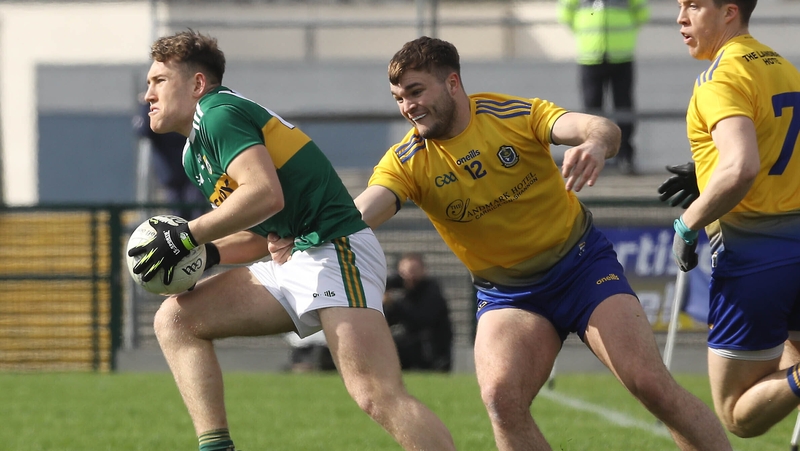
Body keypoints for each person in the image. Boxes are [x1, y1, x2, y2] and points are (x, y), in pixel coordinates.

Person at [270, 36, 732, 450]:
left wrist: (594, 146)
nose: (407, 107)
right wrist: (312, 229)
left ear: (452, 83)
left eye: (416, 92)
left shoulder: (512, 114)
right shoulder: (408, 159)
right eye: (398, 98)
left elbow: (601, 128)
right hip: (508, 295)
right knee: (500, 399)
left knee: (649, 383)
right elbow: (366, 208)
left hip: (582, 268)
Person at [128, 30, 456, 451]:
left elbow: (264, 193)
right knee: (174, 321)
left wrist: (188, 235)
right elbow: (263, 228)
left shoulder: (217, 113)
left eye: (159, 81)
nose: (147, 94)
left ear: (196, 84)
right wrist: (206, 254)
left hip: (337, 249)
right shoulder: (195, 154)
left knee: (375, 394)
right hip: (298, 257)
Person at [669, 0, 800, 438]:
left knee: (737, 415)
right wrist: (707, 171)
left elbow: (741, 166)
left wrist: (688, 223)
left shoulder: (719, 77)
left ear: (729, 12)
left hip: (755, 254)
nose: (681, 18)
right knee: (792, 358)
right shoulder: (782, 66)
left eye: (694, 6)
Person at [557, 0, 650, 175]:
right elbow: (564, 13)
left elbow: (642, 13)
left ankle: (626, 158)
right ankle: (591, 158)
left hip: (621, 56)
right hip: (590, 56)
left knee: (624, 108)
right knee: (591, 111)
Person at [133, 96, 207, 219]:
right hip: (170, 173)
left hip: (194, 169)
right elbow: (143, 130)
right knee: (177, 215)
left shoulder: (187, 107)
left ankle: (198, 236)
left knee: (197, 211)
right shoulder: (157, 116)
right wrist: (146, 105)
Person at [384, 253, 453, 372]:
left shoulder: (432, 291)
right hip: (409, 351)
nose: (409, 276)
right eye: (404, 272)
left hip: (432, 354)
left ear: (423, 270)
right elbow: (388, 321)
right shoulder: (402, 292)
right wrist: (386, 303)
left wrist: (394, 304)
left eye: (413, 270)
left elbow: (421, 320)